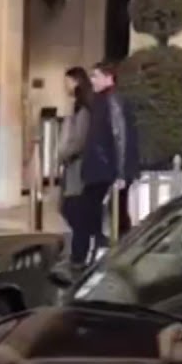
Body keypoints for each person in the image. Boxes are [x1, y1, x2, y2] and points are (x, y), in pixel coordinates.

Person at [80, 60, 139, 257]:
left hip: (107, 168)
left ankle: (118, 248)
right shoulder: (101, 100)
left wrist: (120, 173)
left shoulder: (112, 100)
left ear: (108, 77)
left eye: (95, 76)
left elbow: (119, 136)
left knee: (111, 210)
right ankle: (112, 246)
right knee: (110, 210)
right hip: (103, 166)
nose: (92, 80)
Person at [58, 67, 94, 268]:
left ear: (77, 82)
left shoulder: (83, 110)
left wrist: (64, 154)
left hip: (77, 168)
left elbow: (79, 141)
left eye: (67, 82)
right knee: (70, 209)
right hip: (73, 166)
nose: (65, 86)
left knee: (74, 211)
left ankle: (79, 256)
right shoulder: (77, 107)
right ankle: (78, 253)